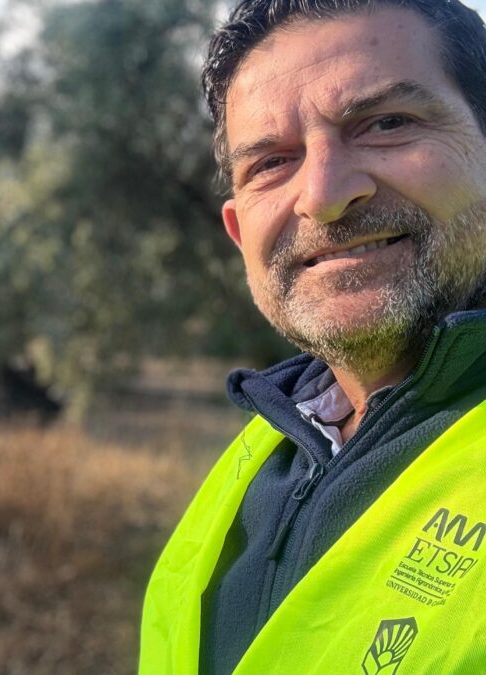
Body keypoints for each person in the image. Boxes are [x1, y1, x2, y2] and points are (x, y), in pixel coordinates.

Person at [140, 0, 486, 673]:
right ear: (240, 232)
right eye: (270, 162)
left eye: (387, 123)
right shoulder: (262, 448)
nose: (324, 195)